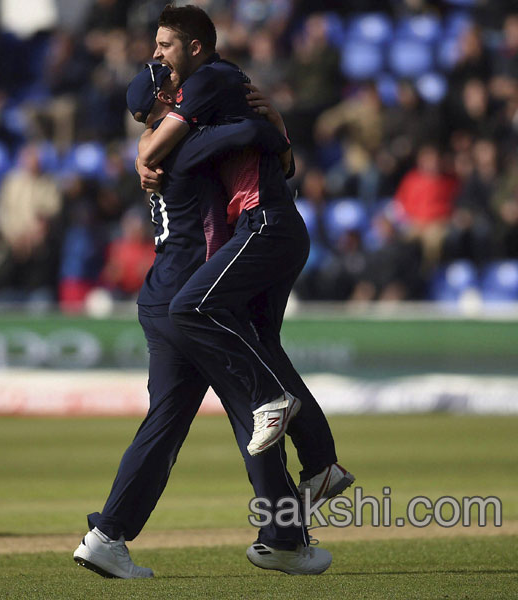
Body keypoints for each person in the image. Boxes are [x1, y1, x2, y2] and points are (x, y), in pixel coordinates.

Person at [74, 62, 330, 581]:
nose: (183, 96)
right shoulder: (187, 147)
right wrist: (275, 121)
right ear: (164, 107)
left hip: (163, 297)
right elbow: (256, 132)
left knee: (166, 424)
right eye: (173, 93)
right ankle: (285, 536)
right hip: (190, 303)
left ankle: (107, 537)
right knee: (255, 413)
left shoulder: (162, 149)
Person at [137, 4, 351, 571]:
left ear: (195, 50)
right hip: (270, 228)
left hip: (267, 228)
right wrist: (275, 133)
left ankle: (276, 409)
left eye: (164, 46)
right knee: (260, 343)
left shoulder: (211, 82)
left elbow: (164, 151)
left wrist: (271, 130)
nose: (158, 56)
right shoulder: (209, 114)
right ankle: (319, 467)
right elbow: (270, 150)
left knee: (193, 311)